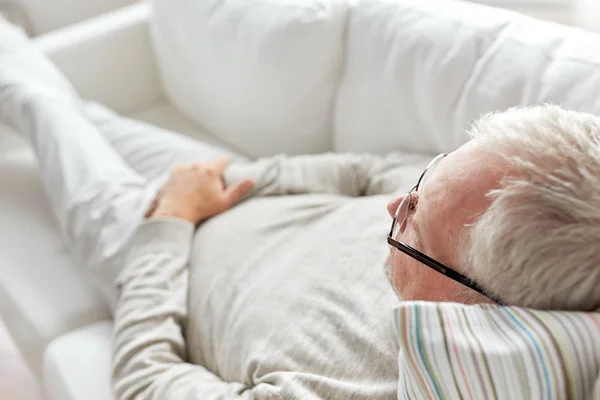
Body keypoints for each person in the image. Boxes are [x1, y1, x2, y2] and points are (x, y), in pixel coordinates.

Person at [2, 21, 599, 400]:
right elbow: (369, 171)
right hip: (228, 185)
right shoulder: (488, 197)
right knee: (82, 112)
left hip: (153, 244)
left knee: (38, 106)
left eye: (411, 222)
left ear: (466, 304)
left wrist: (171, 224)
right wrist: (245, 179)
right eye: (424, 180)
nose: (393, 204)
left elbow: (149, 384)